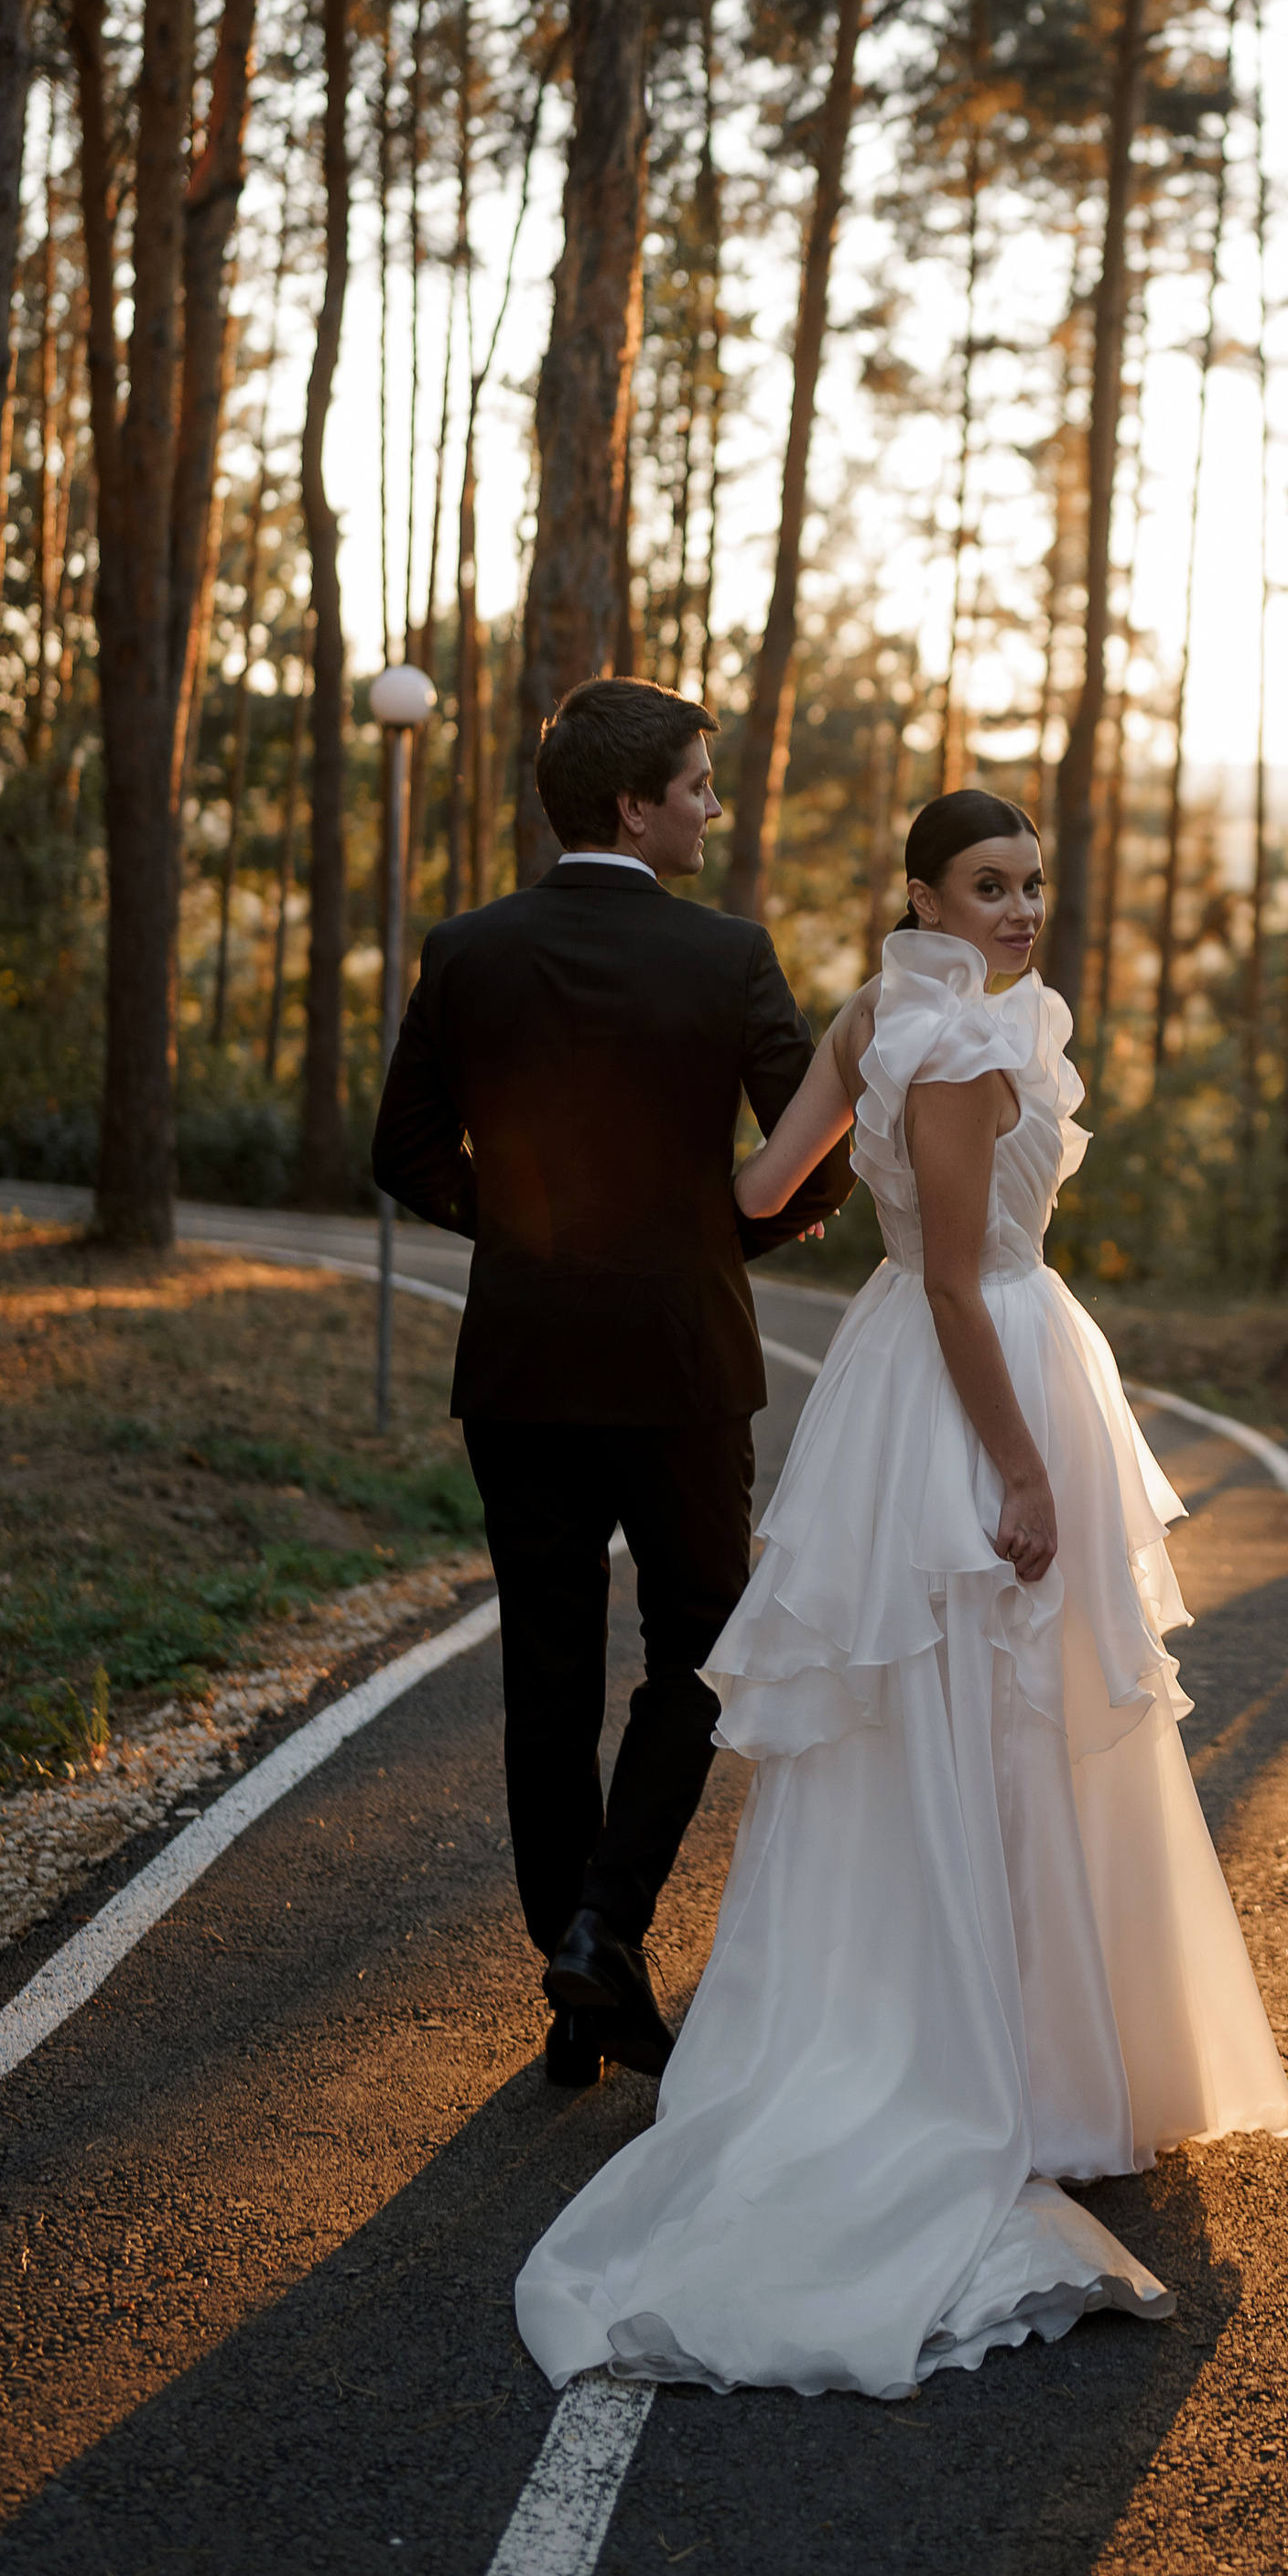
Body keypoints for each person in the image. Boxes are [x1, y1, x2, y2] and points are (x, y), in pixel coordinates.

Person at [514, 788, 1288, 2401]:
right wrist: (1016, 1472)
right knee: (997, 1708)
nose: (1021, 911)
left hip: (909, 1368)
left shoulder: (888, 1009)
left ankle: (997, 2039)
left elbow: (752, 1192)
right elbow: (952, 1277)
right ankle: (993, 2067)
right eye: (989, 887)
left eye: (1032, 884)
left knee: (968, 1712)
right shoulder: (950, 1044)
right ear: (926, 893)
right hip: (977, 1374)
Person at [370, 676, 851, 2093]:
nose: (715, 805)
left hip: (519, 1359)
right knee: (702, 1643)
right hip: (680, 1355)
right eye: (700, 784)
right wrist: (715, 1238)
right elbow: (809, 1150)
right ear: (636, 805)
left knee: (548, 1671)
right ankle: (604, 1925)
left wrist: (528, 1238)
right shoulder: (727, 958)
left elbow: (403, 1156)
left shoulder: (467, 950)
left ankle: (575, 1992)